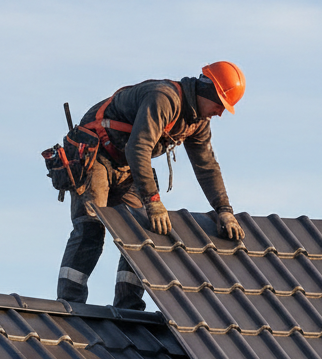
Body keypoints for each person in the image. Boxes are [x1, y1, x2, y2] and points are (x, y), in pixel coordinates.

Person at [56, 62, 247, 311]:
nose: (219, 113)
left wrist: (224, 209)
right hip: (97, 156)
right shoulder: (164, 99)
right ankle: (70, 306)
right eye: (220, 104)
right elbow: (139, 148)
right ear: (208, 92)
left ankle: (128, 308)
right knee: (91, 227)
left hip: (126, 164)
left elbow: (207, 165)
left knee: (142, 232)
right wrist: (153, 201)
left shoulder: (197, 122)